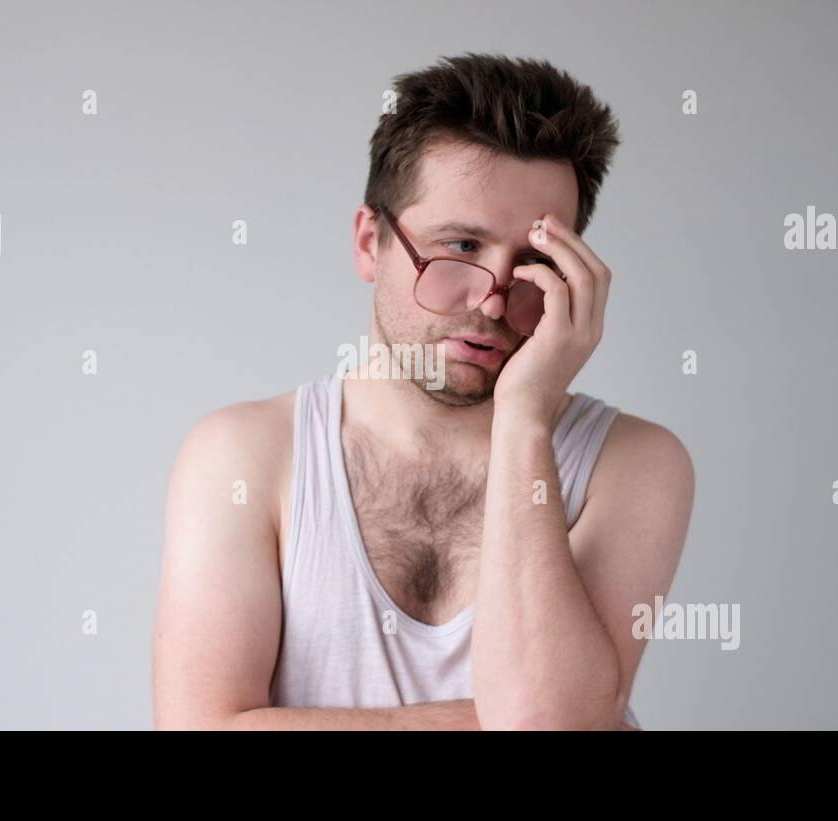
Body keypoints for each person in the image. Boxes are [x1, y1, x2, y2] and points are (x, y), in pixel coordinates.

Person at [152, 52, 694, 730]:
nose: (494, 302)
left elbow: (541, 723)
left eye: (533, 263)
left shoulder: (635, 464)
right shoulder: (243, 458)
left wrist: (525, 419)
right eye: (462, 245)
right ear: (369, 241)